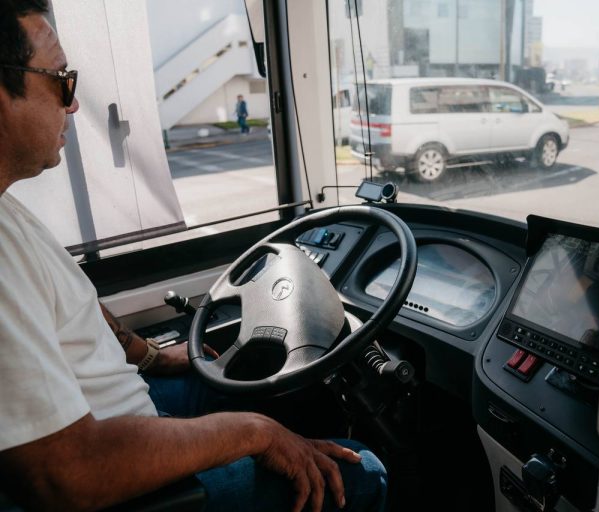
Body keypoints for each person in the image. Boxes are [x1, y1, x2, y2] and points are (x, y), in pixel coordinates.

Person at [0, 2, 386, 511]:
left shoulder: (10, 211)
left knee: (263, 391)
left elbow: (73, 311)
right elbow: (66, 474)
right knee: (362, 471)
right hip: (116, 470)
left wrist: (155, 356)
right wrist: (255, 434)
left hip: (124, 408)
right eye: (60, 81)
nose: (72, 105)